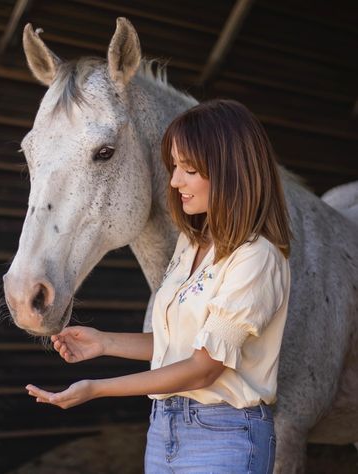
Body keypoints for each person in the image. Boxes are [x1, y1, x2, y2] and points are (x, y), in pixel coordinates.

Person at [26, 99, 292, 473]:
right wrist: (104, 343)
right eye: (174, 166)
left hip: (224, 434)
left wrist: (97, 388)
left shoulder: (256, 258)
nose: (174, 181)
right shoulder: (192, 245)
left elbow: (203, 368)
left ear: (230, 171)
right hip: (165, 427)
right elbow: (181, 346)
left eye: (189, 169)